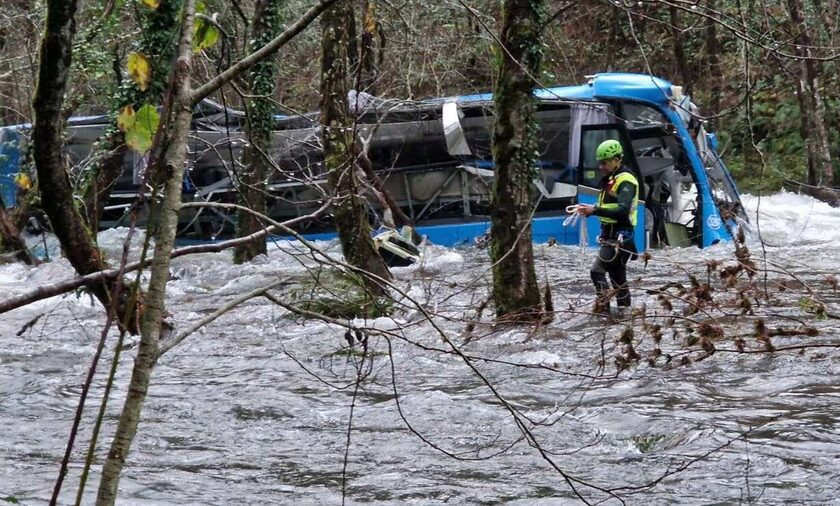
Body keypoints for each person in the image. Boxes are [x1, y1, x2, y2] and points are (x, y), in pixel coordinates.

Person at [578, 139, 639, 315]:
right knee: (618, 279)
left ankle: (603, 313)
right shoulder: (612, 178)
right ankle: (624, 316)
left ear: (617, 159)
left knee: (596, 272)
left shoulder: (626, 180)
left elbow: (622, 209)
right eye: (600, 163)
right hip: (612, 235)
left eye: (604, 163)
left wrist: (594, 210)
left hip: (621, 236)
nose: (600, 167)